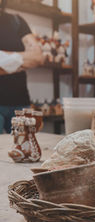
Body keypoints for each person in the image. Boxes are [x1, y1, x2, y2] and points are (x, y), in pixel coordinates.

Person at [0, 0, 43, 133]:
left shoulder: (17, 21)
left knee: (26, 150)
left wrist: (3, 59)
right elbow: (30, 58)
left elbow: (37, 57)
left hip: (20, 103)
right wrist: (20, 60)